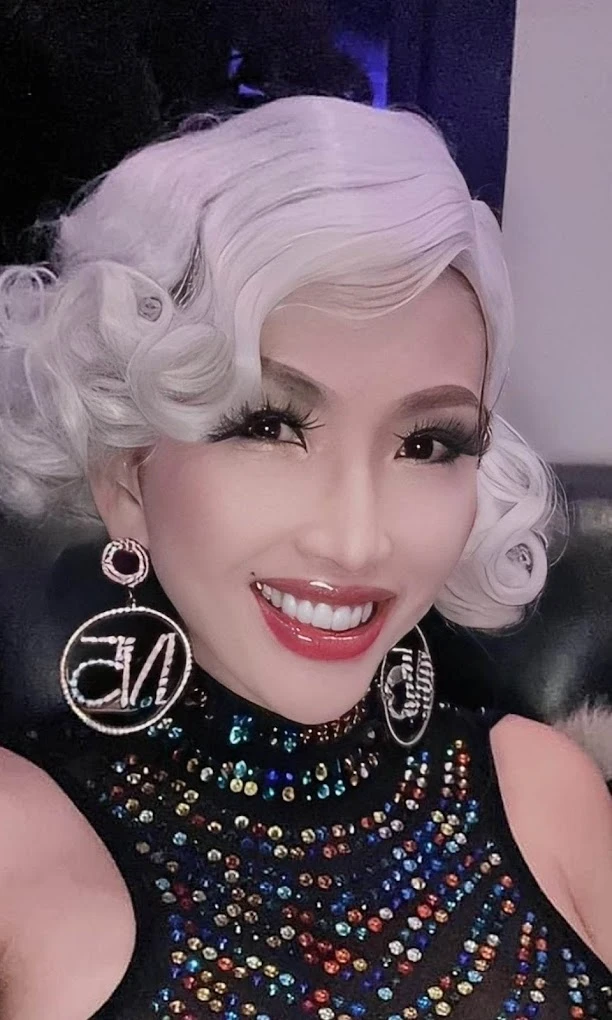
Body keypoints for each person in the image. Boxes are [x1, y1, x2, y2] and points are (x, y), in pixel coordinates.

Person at [0, 96, 610, 1020]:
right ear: (126, 477)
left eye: (428, 444)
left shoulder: (547, 792)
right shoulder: (16, 843)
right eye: (268, 425)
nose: (356, 541)